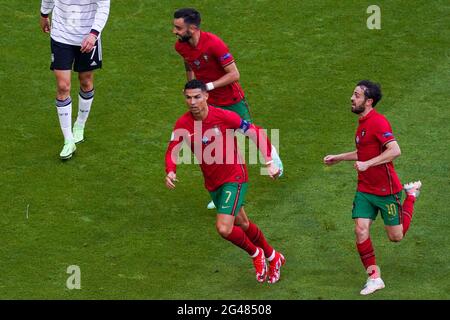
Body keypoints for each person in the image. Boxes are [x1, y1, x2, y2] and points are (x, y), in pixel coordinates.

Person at [165, 80, 285, 283]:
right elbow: (172, 150)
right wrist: (170, 171)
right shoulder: (183, 124)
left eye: (197, 97)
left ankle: (256, 254)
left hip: (234, 177)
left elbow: (254, 132)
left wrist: (268, 160)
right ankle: (274, 257)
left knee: (224, 228)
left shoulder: (222, 116)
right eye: (188, 97)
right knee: (243, 223)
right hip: (213, 184)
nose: (192, 102)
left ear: (206, 97)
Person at [172, 8, 283, 209]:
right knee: (221, 145)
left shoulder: (214, 44)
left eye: (178, 28)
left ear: (193, 28)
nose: (174, 31)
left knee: (249, 132)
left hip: (231, 99)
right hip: (208, 101)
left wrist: (208, 86)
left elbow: (234, 74)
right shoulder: (181, 47)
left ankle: (272, 157)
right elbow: (188, 65)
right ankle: (227, 190)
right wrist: (193, 87)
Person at [323, 80, 422, 295]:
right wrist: (339, 158)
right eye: (353, 94)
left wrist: (368, 164)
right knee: (360, 230)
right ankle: (374, 277)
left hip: (387, 192)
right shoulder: (362, 123)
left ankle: (411, 195)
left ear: (369, 101)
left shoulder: (379, 122)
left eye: (357, 95)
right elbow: (364, 152)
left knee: (396, 237)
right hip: (365, 190)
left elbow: (395, 150)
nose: (352, 98)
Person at [40, 0, 110, 160]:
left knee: (85, 81)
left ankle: (80, 124)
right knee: (63, 86)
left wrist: (94, 34)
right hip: (61, 36)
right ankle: (68, 140)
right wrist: (44, 13)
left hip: (87, 37)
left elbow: (104, 6)